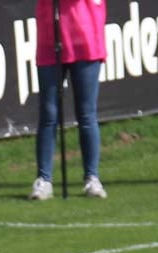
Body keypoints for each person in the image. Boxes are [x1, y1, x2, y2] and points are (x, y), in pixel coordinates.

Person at [30, 0, 108, 200]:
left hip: (85, 36)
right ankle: (44, 179)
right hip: (51, 35)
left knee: (86, 113)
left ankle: (92, 177)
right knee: (48, 113)